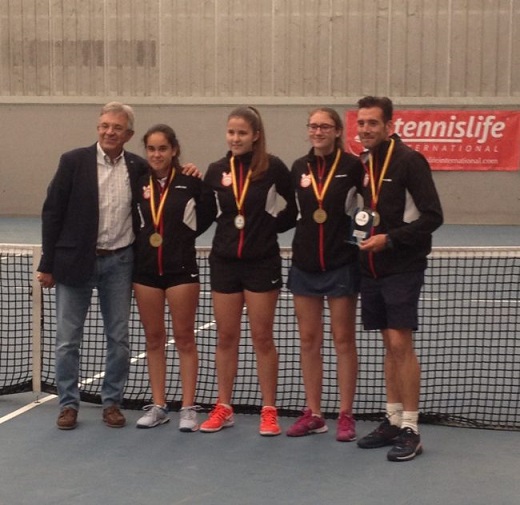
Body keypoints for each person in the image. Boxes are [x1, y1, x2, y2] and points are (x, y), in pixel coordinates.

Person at [37, 102, 148, 430]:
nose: (109, 132)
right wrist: (48, 263)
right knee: (67, 339)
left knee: (119, 338)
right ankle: (68, 404)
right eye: (104, 126)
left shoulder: (138, 167)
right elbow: (52, 211)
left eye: (116, 127)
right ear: (98, 128)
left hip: (121, 261)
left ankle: (112, 402)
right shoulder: (73, 162)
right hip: (74, 261)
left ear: (128, 133)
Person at [354, 96, 443, 461]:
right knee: (388, 346)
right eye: (361, 123)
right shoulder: (364, 162)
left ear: (390, 125)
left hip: (402, 266)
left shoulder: (409, 161)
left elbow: (433, 216)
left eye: (373, 123)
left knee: (400, 343)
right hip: (370, 269)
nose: (365, 129)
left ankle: (411, 428)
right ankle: (392, 419)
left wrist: (389, 240)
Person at [200, 106, 297, 436]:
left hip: (261, 264)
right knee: (226, 337)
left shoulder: (273, 168)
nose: (235, 138)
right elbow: (205, 211)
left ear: (255, 135)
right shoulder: (216, 170)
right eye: (231, 132)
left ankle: (269, 410)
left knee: (262, 337)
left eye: (242, 132)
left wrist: (271, 228)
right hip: (224, 264)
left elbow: (296, 207)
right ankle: (223, 406)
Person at [286, 107, 364, 441]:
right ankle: (314, 413)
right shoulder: (298, 168)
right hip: (304, 263)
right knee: (308, 340)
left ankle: (346, 414)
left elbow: (367, 210)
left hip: (340, 263)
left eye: (325, 126)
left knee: (343, 340)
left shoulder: (353, 167)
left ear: (336, 131)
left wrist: (359, 243)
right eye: (313, 126)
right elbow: (291, 211)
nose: (317, 131)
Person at [132, 124, 216, 431]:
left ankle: (188, 407)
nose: (156, 154)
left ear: (174, 150)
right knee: (154, 339)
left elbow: (206, 215)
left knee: (184, 339)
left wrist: (181, 241)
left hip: (182, 272)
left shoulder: (191, 182)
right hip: (145, 274)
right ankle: (158, 405)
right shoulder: (139, 182)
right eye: (151, 149)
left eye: (162, 148)